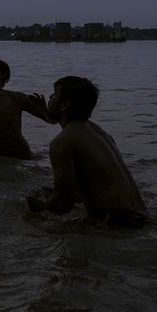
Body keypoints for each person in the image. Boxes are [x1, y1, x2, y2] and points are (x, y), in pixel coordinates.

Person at [26, 76, 147, 227]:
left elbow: (61, 206)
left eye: (54, 94)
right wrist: (56, 192)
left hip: (115, 224)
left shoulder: (62, 142)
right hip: (139, 216)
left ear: (65, 105)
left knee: (34, 227)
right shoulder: (98, 132)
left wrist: (40, 203)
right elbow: (97, 186)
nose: (49, 98)